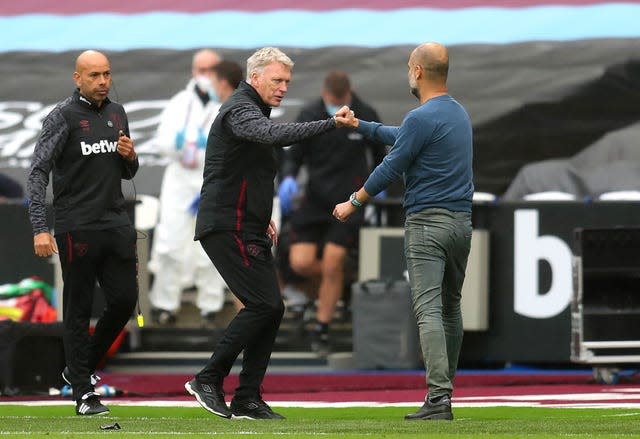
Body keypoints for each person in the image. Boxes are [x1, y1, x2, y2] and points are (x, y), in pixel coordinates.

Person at [184, 46, 352, 420]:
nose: (283, 88)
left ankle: (247, 397)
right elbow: (273, 135)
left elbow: (249, 169)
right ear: (254, 77)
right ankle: (208, 378)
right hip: (227, 225)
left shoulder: (251, 107)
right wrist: (330, 124)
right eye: (277, 80)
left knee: (271, 309)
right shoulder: (241, 108)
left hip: (245, 222)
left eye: (287, 82)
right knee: (265, 305)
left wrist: (262, 215)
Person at [333, 42, 473, 421]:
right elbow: (404, 135)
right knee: (450, 307)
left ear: (417, 72)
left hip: (427, 224)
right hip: (461, 225)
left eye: (407, 67)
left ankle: (438, 398)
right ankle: (446, 393)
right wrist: (360, 125)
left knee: (427, 309)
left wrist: (354, 202)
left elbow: (391, 167)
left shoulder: (420, 118)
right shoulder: (458, 114)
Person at [27, 50, 139, 416]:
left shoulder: (117, 112)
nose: (103, 81)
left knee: (124, 301)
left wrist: (129, 156)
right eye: (93, 75)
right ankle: (83, 394)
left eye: (107, 74)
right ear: (77, 78)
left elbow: (127, 172)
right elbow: (37, 171)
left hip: (116, 222)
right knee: (77, 310)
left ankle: (78, 368)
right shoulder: (62, 116)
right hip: (78, 226)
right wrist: (41, 227)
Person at [278, 70, 386, 355]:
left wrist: (379, 186)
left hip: (351, 199)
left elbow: (381, 157)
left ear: (349, 95)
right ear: (325, 96)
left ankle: (322, 329)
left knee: (332, 262)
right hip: (314, 198)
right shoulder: (311, 113)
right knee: (300, 263)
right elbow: (294, 156)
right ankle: (342, 286)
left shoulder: (364, 113)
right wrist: (287, 178)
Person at [148, 50, 239, 328]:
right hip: (179, 181)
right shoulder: (179, 103)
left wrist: (205, 144)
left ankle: (209, 307)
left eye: (211, 69)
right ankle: (165, 305)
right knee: (170, 244)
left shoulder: (229, 104)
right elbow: (161, 142)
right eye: (200, 69)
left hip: (212, 182)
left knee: (212, 245)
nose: (205, 75)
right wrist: (181, 143)